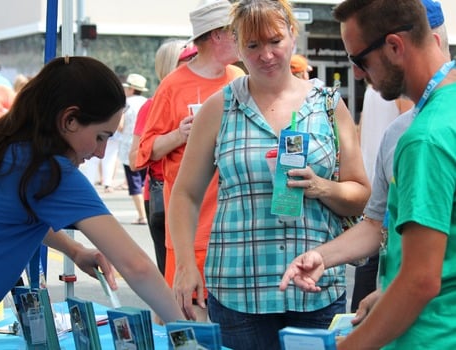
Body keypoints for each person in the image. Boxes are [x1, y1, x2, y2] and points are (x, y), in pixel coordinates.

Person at [0, 56, 184, 348]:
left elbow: (15, 213)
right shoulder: (49, 170)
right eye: (101, 137)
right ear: (69, 120)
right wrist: (188, 336)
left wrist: (74, 249)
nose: (101, 153)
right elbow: (136, 266)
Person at [168, 1, 370, 348]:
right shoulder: (220, 108)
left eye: (275, 41)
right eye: (253, 45)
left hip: (315, 289)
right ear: (237, 47)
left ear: (293, 36)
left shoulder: (327, 105)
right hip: (237, 289)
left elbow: (360, 193)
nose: (266, 54)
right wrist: (185, 265)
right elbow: (185, 194)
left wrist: (322, 187)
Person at [282, 0, 455, 348]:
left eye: (359, 60)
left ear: (394, 46)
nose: (358, 74)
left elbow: (420, 281)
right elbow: (383, 227)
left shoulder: (425, 137)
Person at [136, 0, 245, 323]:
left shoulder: (238, 77)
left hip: (234, 223)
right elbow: (145, 151)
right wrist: (180, 135)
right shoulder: (174, 85)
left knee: (230, 317)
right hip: (191, 226)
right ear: (217, 37)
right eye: (236, 33)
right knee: (186, 313)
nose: (242, 40)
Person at [129, 39, 198, 276]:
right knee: (173, 276)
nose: (196, 64)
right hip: (165, 195)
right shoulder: (154, 103)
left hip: (199, 195)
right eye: (189, 59)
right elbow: (135, 156)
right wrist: (179, 135)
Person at [351, 84, 413, 311]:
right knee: (381, 252)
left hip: (376, 174)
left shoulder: (373, 89)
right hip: (388, 177)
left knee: (372, 260)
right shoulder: (393, 91)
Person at [118, 73, 149, 225]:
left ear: (131, 89)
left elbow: (120, 125)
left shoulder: (125, 104)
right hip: (145, 147)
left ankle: (142, 215)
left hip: (128, 149)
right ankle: (147, 212)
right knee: (145, 182)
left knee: (135, 183)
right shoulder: (147, 102)